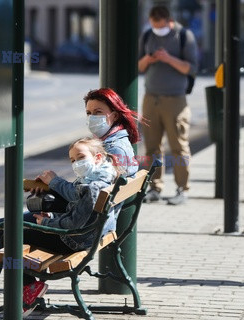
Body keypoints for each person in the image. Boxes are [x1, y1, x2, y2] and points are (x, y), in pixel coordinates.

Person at [0, 138, 121, 317]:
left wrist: (46, 223)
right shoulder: (105, 175)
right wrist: (52, 202)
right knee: (0, 227)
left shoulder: (94, 186)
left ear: (98, 157)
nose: (76, 163)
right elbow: (79, 208)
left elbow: (74, 223)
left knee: (0, 231)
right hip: (84, 236)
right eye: (72, 160)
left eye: (80, 157)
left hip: (71, 239)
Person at [138, 5, 198, 205]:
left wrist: (168, 58)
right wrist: (148, 59)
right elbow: (139, 66)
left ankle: (182, 189)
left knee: (178, 147)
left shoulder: (183, 36)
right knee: (151, 147)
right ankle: (154, 187)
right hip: (150, 98)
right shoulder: (147, 36)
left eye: (160, 26)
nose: (157, 29)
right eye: (153, 25)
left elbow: (191, 68)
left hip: (175, 100)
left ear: (168, 21)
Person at [84, 88, 140, 178]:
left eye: (98, 112)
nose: (92, 117)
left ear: (114, 116)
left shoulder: (114, 149)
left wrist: (57, 183)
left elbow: (98, 186)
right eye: (88, 113)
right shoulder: (109, 142)